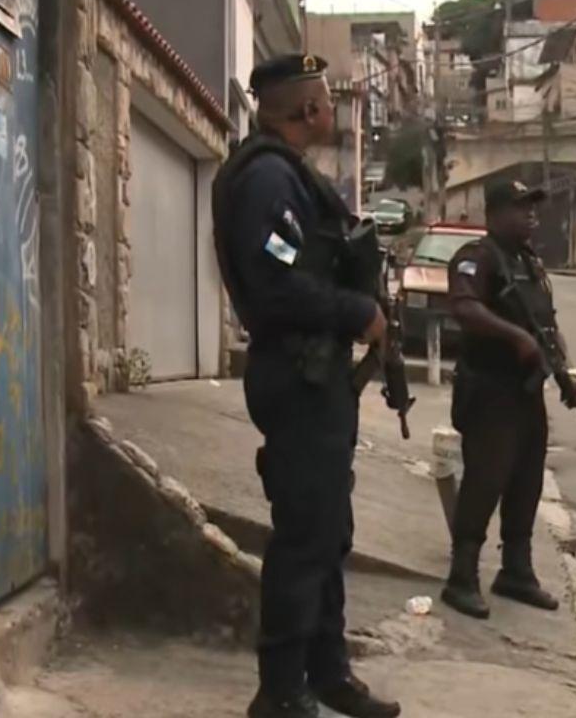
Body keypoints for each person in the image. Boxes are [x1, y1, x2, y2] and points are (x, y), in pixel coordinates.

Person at [212, 54, 401, 718]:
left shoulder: (287, 174)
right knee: (303, 538)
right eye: (326, 100)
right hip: (297, 375)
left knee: (327, 532)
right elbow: (276, 284)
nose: (332, 110)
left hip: (314, 376)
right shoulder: (268, 179)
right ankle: (280, 692)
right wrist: (358, 312)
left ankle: (327, 674)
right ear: (309, 109)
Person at [440, 179, 576, 619]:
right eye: (521, 206)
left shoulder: (530, 263)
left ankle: (516, 571)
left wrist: (568, 373)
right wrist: (515, 337)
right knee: (485, 481)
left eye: (533, 207)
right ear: (495, 213)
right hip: (489, 389)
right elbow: (465, 308)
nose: (531, 215)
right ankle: (462, 576)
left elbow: (549, 327)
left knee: (527, 481)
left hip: (526, 392)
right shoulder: (477, 257)